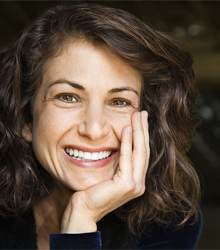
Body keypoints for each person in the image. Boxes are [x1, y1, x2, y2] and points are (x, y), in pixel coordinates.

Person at [0, 3, 203, 249]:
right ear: (25, 119)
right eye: (68, 97)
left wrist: (81, 218)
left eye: (119, 101)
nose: (94, 129)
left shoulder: (170, 224)